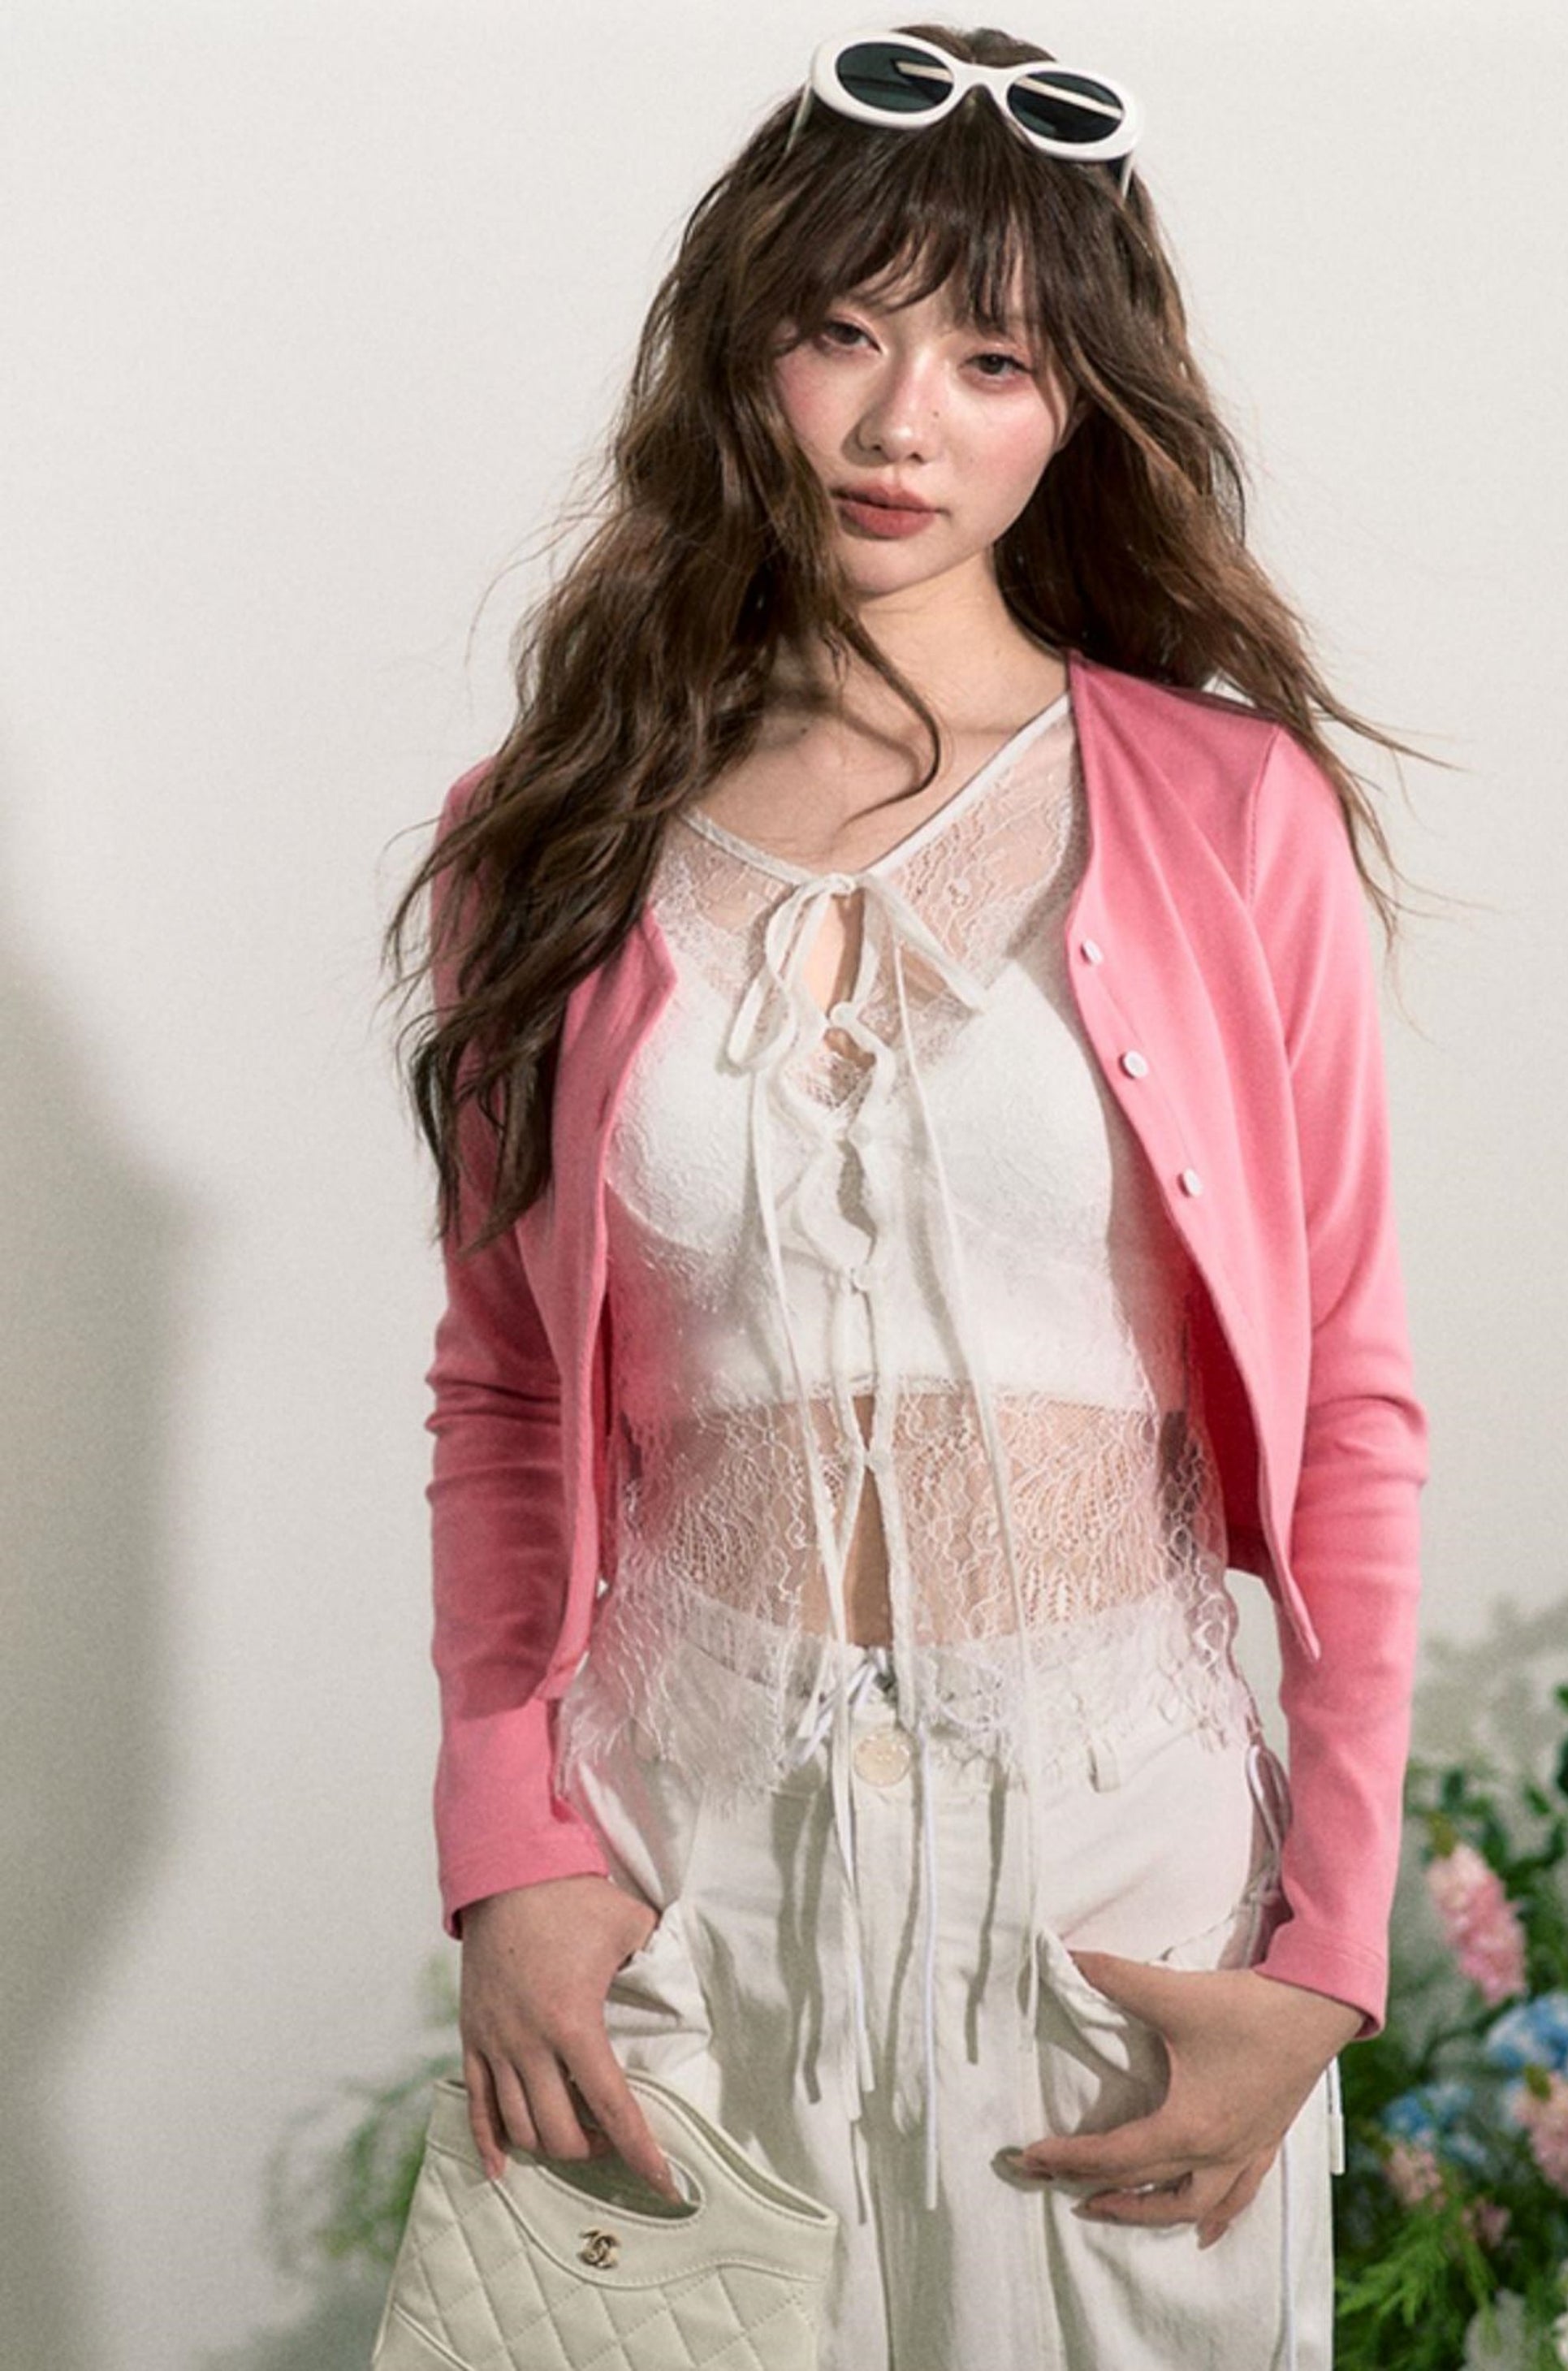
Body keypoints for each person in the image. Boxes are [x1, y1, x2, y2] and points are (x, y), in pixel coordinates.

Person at [383, 23, 1429, 2369]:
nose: (898, 425)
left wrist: (1326, 1955)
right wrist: (508, 1853)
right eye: (840, 333)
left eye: (990, 360)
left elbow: (1352, 1397)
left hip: (1121, 1886)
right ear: (737, 351)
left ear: (1076, 411)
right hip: (676, 1873)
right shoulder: (539, 835)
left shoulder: (1224, 813)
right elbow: (504, 1389)